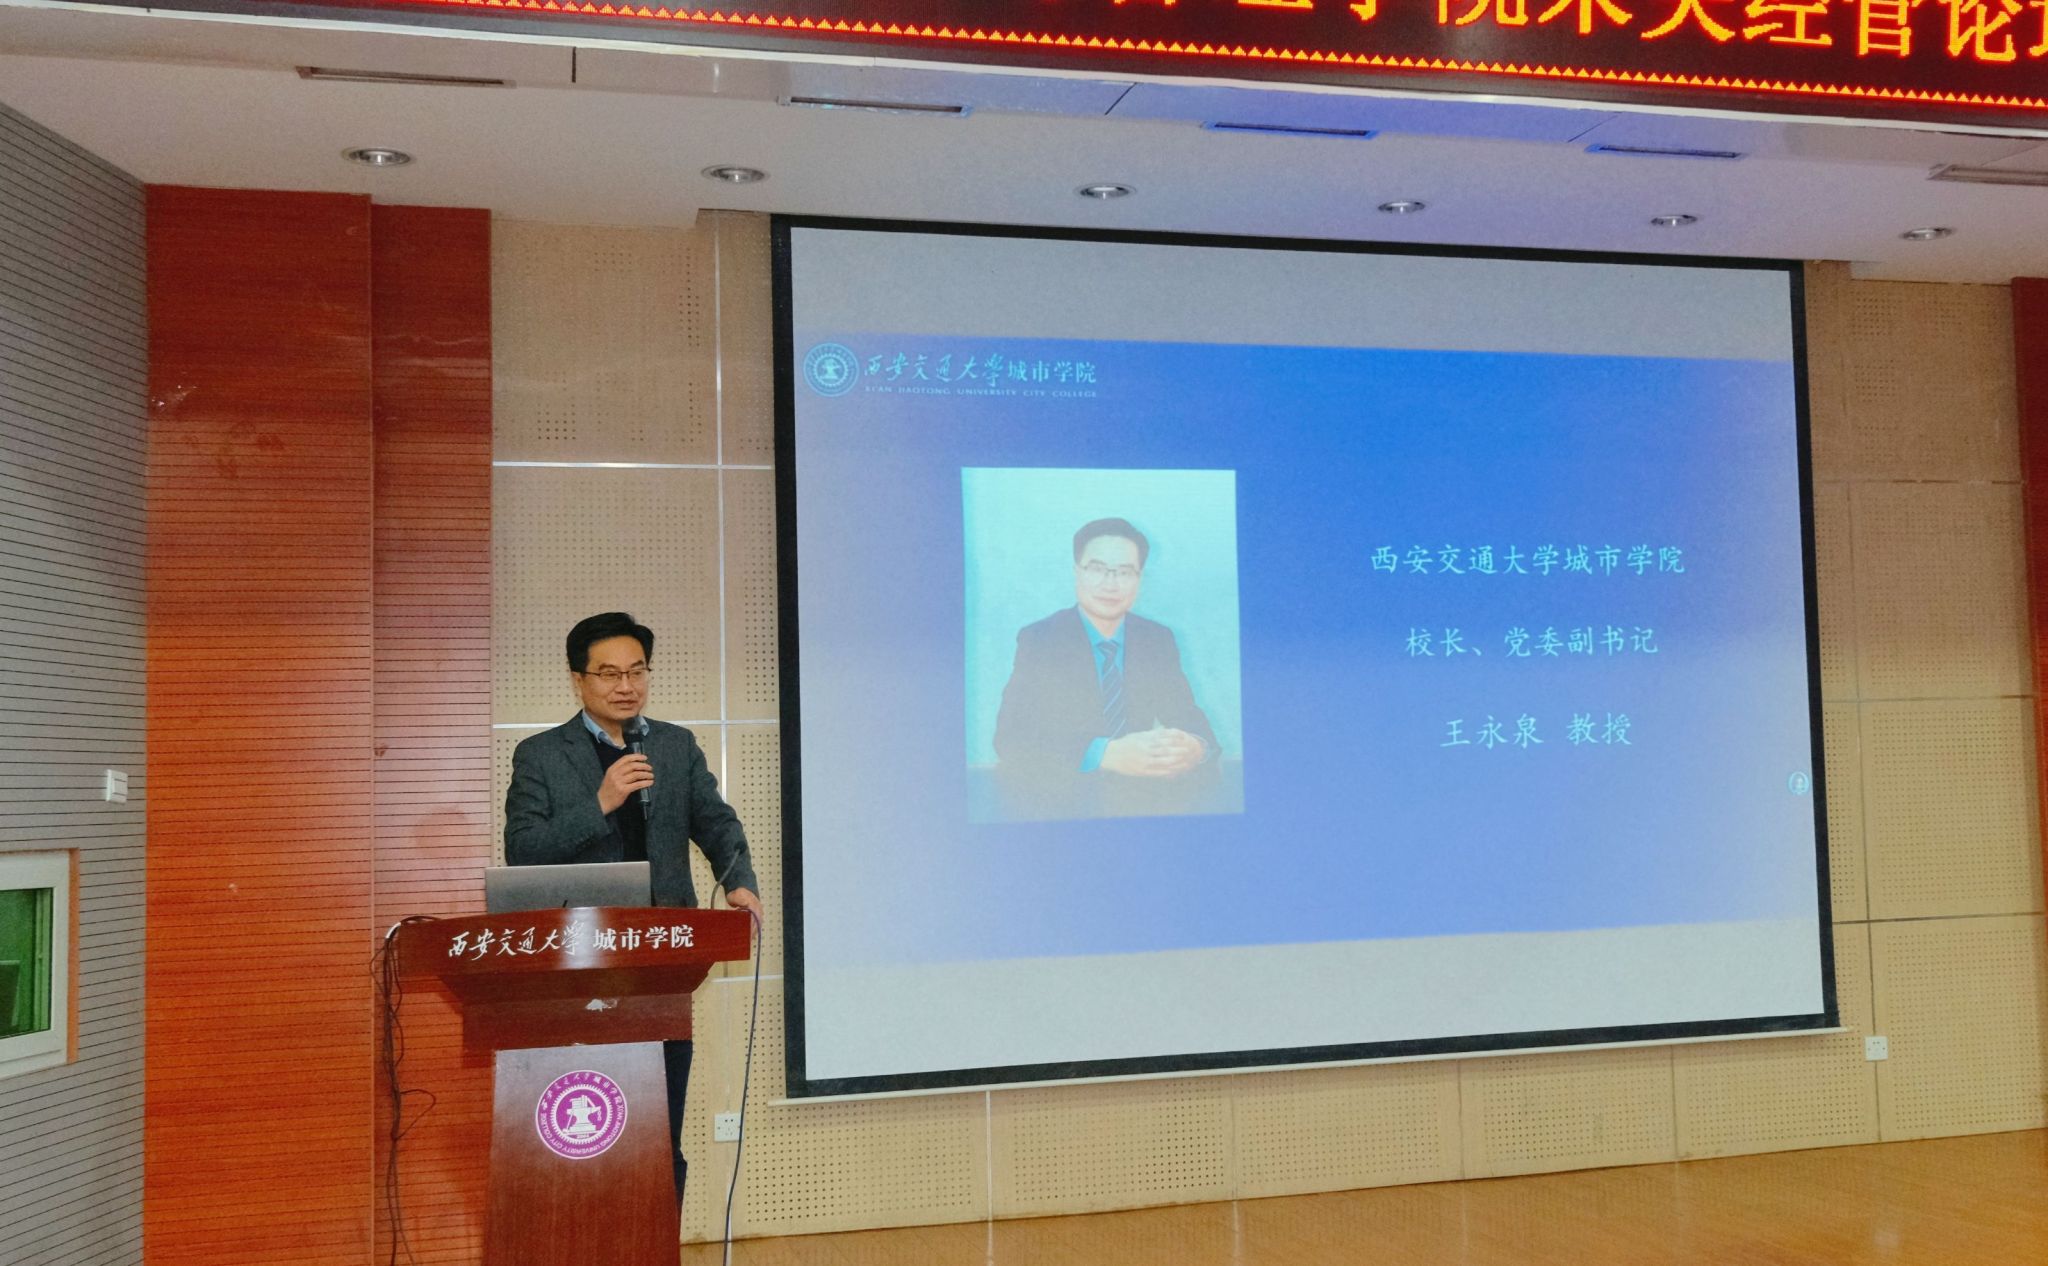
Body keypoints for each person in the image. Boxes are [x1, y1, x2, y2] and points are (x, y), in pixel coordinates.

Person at [504, 611, 762, 1203]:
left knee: (659, 1128)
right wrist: (600, 801)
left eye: (637, 671)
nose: (626, 686)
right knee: (588, 1124)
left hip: (662, 962)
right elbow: (524, 850)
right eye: (609, 674)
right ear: (578, 679)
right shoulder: (540, 755)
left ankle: (658, 1238)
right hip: (578, 965)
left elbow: (717, 825)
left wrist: (738, 882)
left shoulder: (674, 745)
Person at [992, 518, 1219, 788]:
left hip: (1139, 793)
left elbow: (1187, 717)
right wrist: (1105, 754)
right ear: (1077, 572)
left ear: (1139, 579)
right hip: (1062, 793)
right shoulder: (1041, 639)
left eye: (1125, 572)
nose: (1110, 584)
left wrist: (1195, 747)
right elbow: (1010, 738)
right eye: (1097, 569)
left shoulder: (1156, 639)